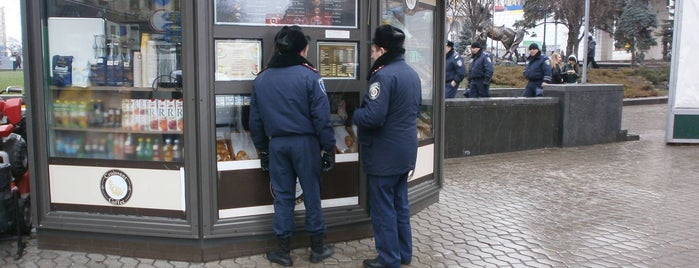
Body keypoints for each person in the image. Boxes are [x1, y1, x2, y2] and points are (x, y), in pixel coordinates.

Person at [249, 26, 335, 267]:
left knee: (283, 198)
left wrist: (263, 150)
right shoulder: (310, 76)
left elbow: (255, 122)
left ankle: (283, 252)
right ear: (303, 50)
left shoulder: (262, 78)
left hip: (277, 146)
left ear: (277, 48)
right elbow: (322, 118)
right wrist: (328, 148)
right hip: (306, 144)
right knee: (312, 195)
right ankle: (317, 250)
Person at [353, 24, 421, 268]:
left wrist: (354, 114)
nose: (371, 54)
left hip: (384, 156)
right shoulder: (411, 73)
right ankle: (403, 254)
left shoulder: (383, 75)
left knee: (383, 210)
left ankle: (388, 260)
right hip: (404, 152)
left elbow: (373, 117)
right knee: (400, 205)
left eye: (373, 49)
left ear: (381, 50)